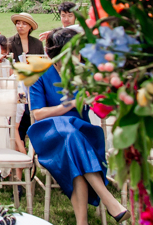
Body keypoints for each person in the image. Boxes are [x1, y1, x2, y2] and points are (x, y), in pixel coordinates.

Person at [29, 28, 127, 225]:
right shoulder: (39, 72)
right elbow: (38, 114)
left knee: (73, 146)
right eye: (73, 51)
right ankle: (107, 198)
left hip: (83, 132)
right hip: (49, 133)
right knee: (68, 131)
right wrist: (70, 105)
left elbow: (102, 108)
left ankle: (82, 223)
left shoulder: (85, 73)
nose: (78, 56)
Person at [10, 12, 45, 144]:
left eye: (24, 24)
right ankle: (19, 139)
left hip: (33, 81)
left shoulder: (37, 43)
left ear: (30, 27)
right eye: (18, 23)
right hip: (17, 82)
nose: (20, 26)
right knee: (22, 109)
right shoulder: (10, 42)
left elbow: (42, 63)